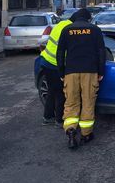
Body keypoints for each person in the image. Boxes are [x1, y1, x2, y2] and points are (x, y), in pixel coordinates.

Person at [57, 8, 106, 149]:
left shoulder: (66, 29)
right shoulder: (95, 29)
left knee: (71, 102)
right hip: (90, 71)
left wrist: (61, 72)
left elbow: (60, 53)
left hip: (71, 71)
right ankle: (86, 134)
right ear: (87, 18)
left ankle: (71, 130)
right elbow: (101, 52)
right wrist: (100, 71)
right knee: (88, 102)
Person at [40, 15, 73, 127]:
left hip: (46, 61)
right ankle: (59, 120)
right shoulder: (70, 29)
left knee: (52, 91)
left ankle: (48, 117)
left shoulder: (62, 24)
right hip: (54, 64)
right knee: (60, 93)